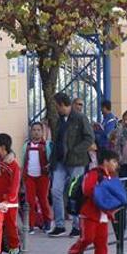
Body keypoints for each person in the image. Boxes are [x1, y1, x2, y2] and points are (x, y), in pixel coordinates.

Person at [67, 149, 120, 254]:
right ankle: (73, 253)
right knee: (87, 238)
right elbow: (87, 189)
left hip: (103, 214)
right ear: (106, 161)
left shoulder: (112, 176)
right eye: (114, 161)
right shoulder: (94, 173)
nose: (115, 164)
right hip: (89, 212)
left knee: (102, 244)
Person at [48, 92, 95, 237]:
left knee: (75, 193)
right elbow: (57, 141)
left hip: (76, 161)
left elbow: (89, 138)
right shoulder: (59, 120)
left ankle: (77, 226)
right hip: (61, 161)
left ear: (62, 104)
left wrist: (75, 150)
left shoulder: (80, 118)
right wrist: (52, 161)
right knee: (55, 190)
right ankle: (60, 225)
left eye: (57, 106)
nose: (56, 109)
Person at [22, 122, 52, 233]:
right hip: (29, 177)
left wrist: (49, 168)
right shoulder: (26, 145)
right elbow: (23, 161)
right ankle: (31, 224)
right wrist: (23, 177)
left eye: (39, 130)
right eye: (34, 130)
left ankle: (47, 222)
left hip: (42, 177)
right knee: (29, 201)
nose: (36, 132)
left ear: (42, 132)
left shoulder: (47, 145)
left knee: (43, 200)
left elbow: (50, 160)